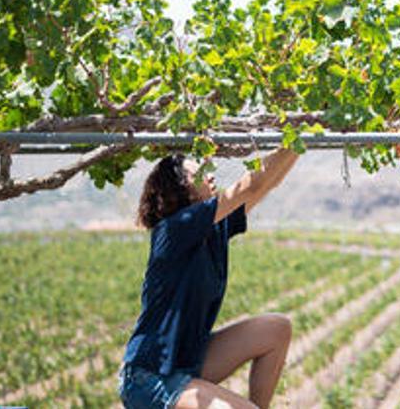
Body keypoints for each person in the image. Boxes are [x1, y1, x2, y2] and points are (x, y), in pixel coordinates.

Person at [118, 147, 299, 409]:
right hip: (149, 377)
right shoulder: (176, 227)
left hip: (185, 362)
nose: (210, 176)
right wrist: (296, 134)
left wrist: (302, 140)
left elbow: (264, 186)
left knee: (277, 329)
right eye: (199, 173)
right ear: (181, 187)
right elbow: (250, 186)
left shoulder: (213, 226)